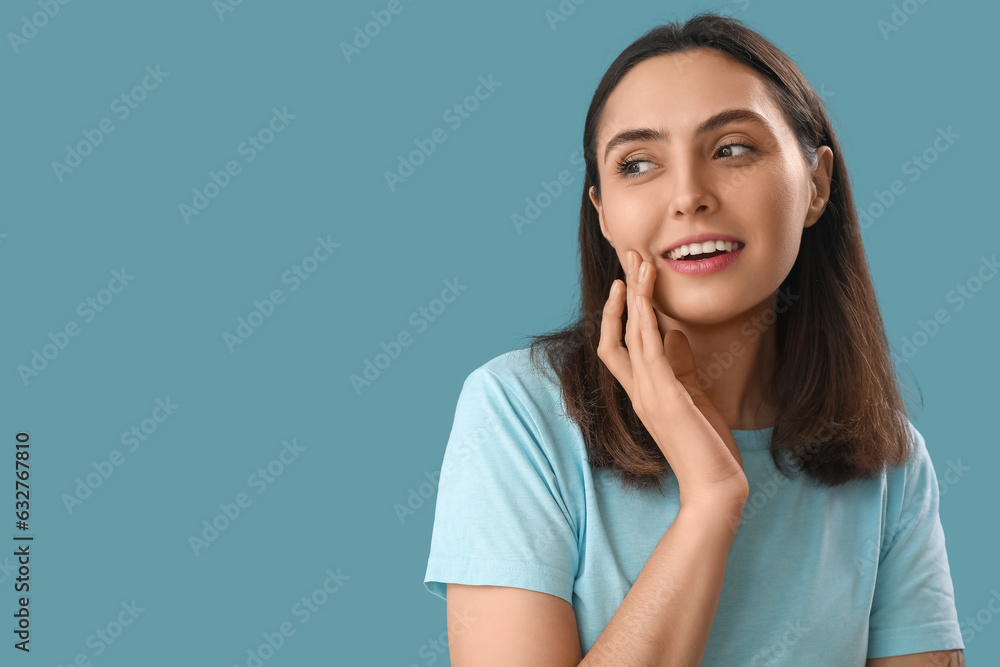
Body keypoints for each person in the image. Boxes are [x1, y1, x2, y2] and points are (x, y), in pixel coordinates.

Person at [422, 12, 965, 666]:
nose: (688, 196)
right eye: (639, 162)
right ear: (602, 215)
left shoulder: (891, 462)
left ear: (817, 184)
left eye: (732, 148)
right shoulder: (517, 413)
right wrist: (711, 501)